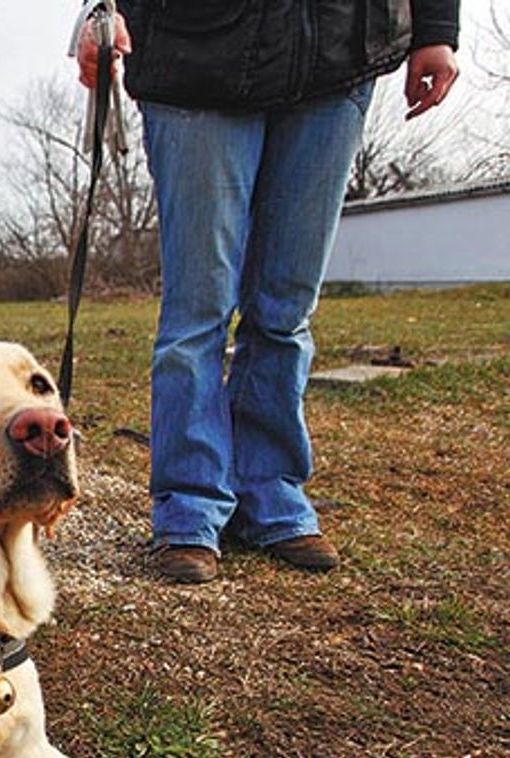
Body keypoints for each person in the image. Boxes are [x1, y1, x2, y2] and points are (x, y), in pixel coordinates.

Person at [76, 1, 460, 582]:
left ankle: (270, 491)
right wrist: (97, 7)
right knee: (197, 311)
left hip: (339, 49)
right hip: (195, 55)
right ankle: (189, 506)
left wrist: (436, 29)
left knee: (285, 309)